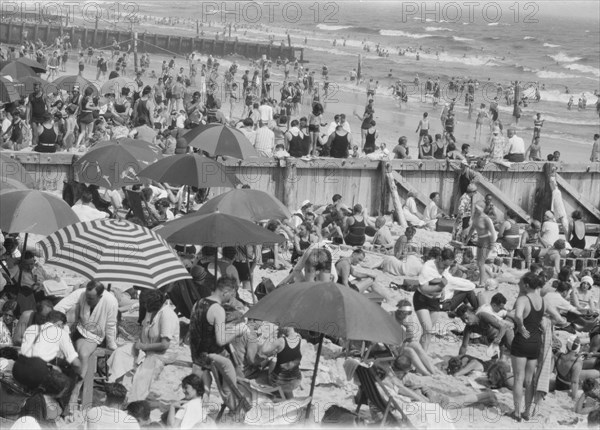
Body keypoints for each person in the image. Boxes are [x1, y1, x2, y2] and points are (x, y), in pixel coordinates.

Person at [54, 280, 119, 406]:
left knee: (83, 354)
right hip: (79, 329)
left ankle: (75, 389)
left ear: (100, 296)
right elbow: (59, 307)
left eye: (91, 298)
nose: (88, 300)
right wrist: (65, 328)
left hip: (96, 335)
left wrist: (112, 346)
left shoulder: (111, 301)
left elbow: (111, 325)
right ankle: (62, 387)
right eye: (87, 297)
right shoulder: (80, 293)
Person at [189, 277, 249, 411]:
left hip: (196, 356)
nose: (231, 299)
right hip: (214, 358)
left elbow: (195, 330)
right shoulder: (218, 310)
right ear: (226, 292)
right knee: (231, 385)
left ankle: (202, 409)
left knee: (203, 391)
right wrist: (238, 330)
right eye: (232, 295)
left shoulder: (197, 303)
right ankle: (235, 409)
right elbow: (220, 340)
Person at [107, 290, 180, 402]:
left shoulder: (166, 315)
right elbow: (144, 335)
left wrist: (143, 347)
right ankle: (116, 388)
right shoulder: (151, 313)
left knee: (142, 376)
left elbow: (164, 345)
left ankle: (135, 401)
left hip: (162, 353)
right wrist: (139, 347)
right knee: (120, 353)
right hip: (147, 346)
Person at [13, 310, 82, 394]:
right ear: (59, 324)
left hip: (17, 369)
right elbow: (76, 364)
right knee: (63, 380)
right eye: (63, 326)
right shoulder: (61, 332)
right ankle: (62, 403)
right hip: (36, 372)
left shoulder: (32, 328)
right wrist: (78, 377)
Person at [510, 271, 545, 422]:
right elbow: (552, 318)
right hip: (535, 341)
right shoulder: (542, 300)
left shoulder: (523, 299)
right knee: (529, 380)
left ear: (526, 285)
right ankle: (527, 412)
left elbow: (518, 315)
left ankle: (517, 413)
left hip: (522, 340)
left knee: (519, 378)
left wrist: (521, 327)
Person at [259, 326, 302, 399]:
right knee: (287, 369)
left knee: (273, 361)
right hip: (297, 380)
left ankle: (279, 394)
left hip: (280, 382)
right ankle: (289, 396)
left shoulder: (281, 341)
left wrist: (271, 336)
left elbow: (263, 351)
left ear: (286, 327)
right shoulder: (299, 338)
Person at [554, 336, 600, 400]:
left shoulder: (558, 355)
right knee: (597, 374)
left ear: (567, 346)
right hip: (568, 387)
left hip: (558, 384)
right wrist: (574, 397)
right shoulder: (577, 362)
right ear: (578, 348)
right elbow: (574, 382)